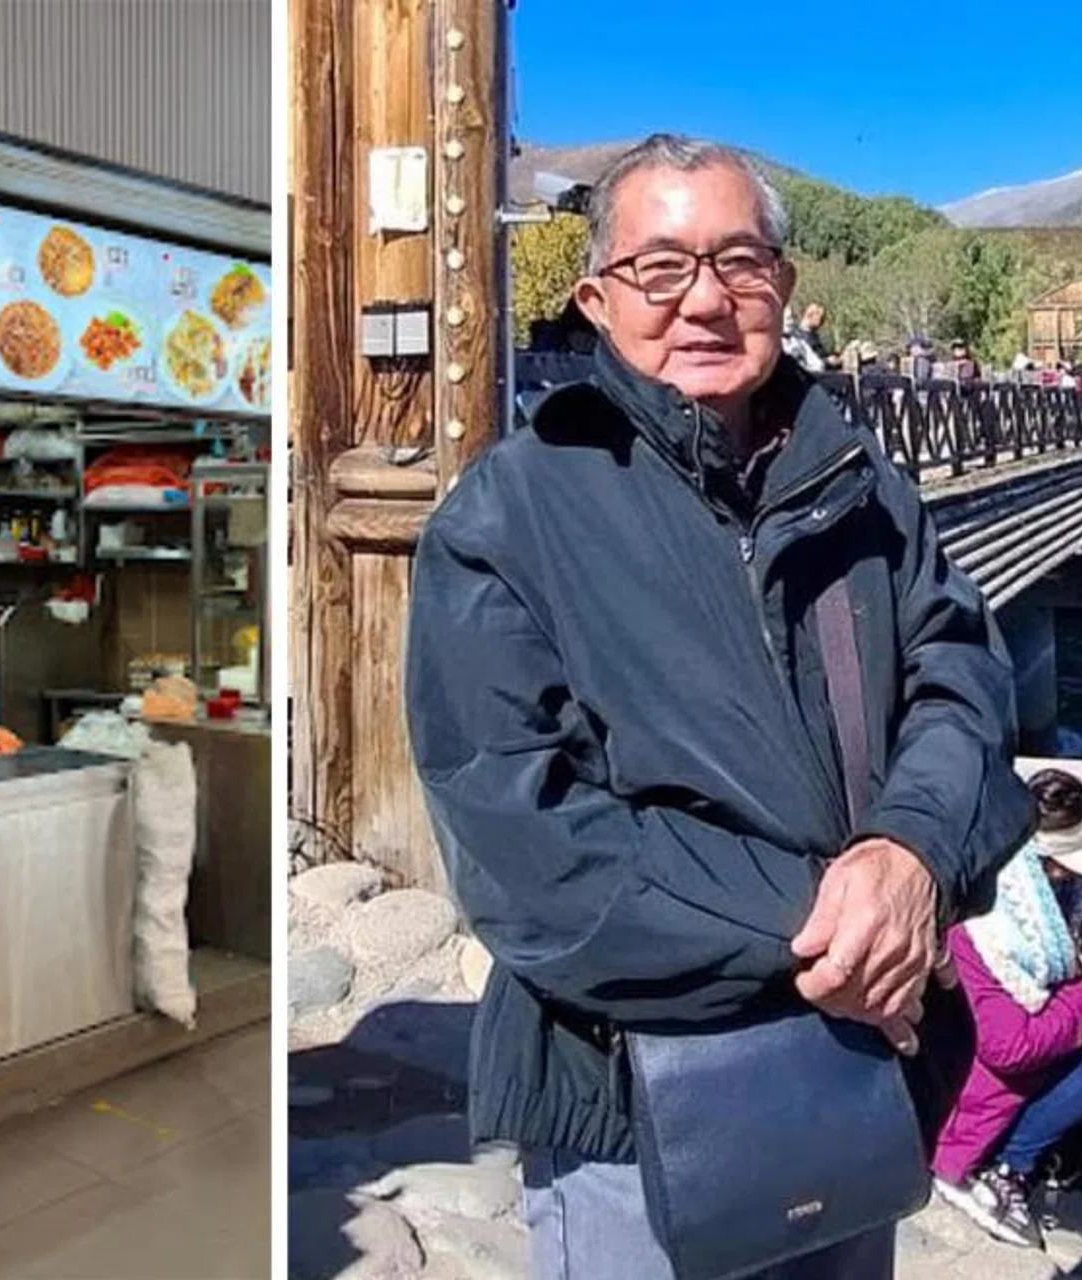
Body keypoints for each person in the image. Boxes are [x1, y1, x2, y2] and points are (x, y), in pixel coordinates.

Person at [405, 132, 1036, 1280]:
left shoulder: (862, 484)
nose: (704, 299)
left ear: (783, 286)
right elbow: (526, 843)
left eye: (740, 261)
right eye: (660, 267)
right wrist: (853, 926)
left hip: (854, 1071)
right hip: (636, 1100)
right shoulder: (511, 513)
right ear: (596, 299)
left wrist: (911, 849)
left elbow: (965, 679)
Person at [931, 768, 1082, 1249]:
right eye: (1074, 868)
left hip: (987, 1054)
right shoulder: (985, 932)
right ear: (1051, 865)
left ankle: (1044, 1158)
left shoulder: (1017, 888)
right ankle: (998, 1170)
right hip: (971, 1090)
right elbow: (1011, 1047)